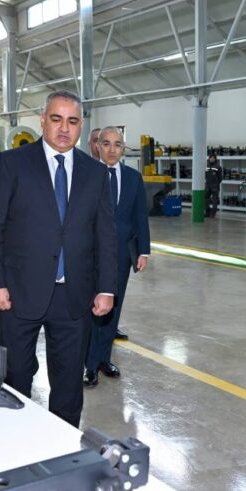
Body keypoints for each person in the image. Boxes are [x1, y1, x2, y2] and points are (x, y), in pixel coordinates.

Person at [0, 91, 117, 427]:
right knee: (15, 377)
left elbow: (105, 235)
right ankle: (13, 441)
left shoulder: (95, 173)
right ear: (42, 120)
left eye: (72, 121)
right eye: (56, 119)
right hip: (17, 293)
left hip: (74, 296)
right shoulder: (13, 164)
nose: (64, 128)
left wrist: (106, 288)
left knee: (68, 383)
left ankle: (63, 444)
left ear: (82, 126)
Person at [84, 127, 150, 386]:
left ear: (124, 148)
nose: (112, 149)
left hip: (121, 254)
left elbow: (140, 215)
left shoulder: (133, 178)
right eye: (106, 144)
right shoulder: (86, 175)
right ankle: (89, 364)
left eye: (117, 144)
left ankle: (103, 359)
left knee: (114, 308)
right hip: (90, 254)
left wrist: (143, 250)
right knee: (93, 309)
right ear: (97, 146)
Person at [204, 153, 221, 218]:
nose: (212, 159)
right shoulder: (206, 166)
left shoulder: (218, 166)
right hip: (207, 185)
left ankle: (213, 214)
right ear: (209, 158)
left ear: (215, 159)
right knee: (206, 199)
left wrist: (216, 183)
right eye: (211, 158)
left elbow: (220, 178)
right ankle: (207, 213)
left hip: (215, 186)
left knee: (214, 200)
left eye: (213, 158)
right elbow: (205, 175)